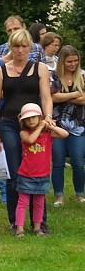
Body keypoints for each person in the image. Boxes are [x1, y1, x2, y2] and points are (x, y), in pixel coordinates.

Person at [0, 29, 53, 231]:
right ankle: (15, 221)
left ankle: (39, 221)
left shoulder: (40, 68)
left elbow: (46, 97)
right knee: (15, 172)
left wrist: (48, 117)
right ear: (11, 47)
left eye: (24, 46)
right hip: (9, 122)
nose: (20, 50)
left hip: (35, 123)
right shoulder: (1, 70)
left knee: (37, 170)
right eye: (16, 46)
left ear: (30, 48)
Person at [14, 103, 67, 236]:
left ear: (40, 117)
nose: (31, 120)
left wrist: (49, 125)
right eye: (27, 118)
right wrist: (41, 126)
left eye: (34, 117)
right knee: (23, 202)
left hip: (43, 173)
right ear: (23, 121)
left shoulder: (48, 133)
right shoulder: (24, 133)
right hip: (26, 173)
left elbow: (65, 134)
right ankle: (19, 228)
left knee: (39, 202)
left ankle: (37, 227)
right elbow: (31, 140)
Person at [48, 45, 85, 207]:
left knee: (77, 161)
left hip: (78, 124)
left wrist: (63, 96)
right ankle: (59, 195)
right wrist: (75, 94)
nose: (73, 64)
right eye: (69, 61)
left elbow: (84, 100)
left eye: (76, 61)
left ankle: (80, 193)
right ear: (62, 61)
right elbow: (52, 98)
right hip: (57, 124)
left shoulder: (82, 75)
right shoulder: (53, 76)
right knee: (58, 161)